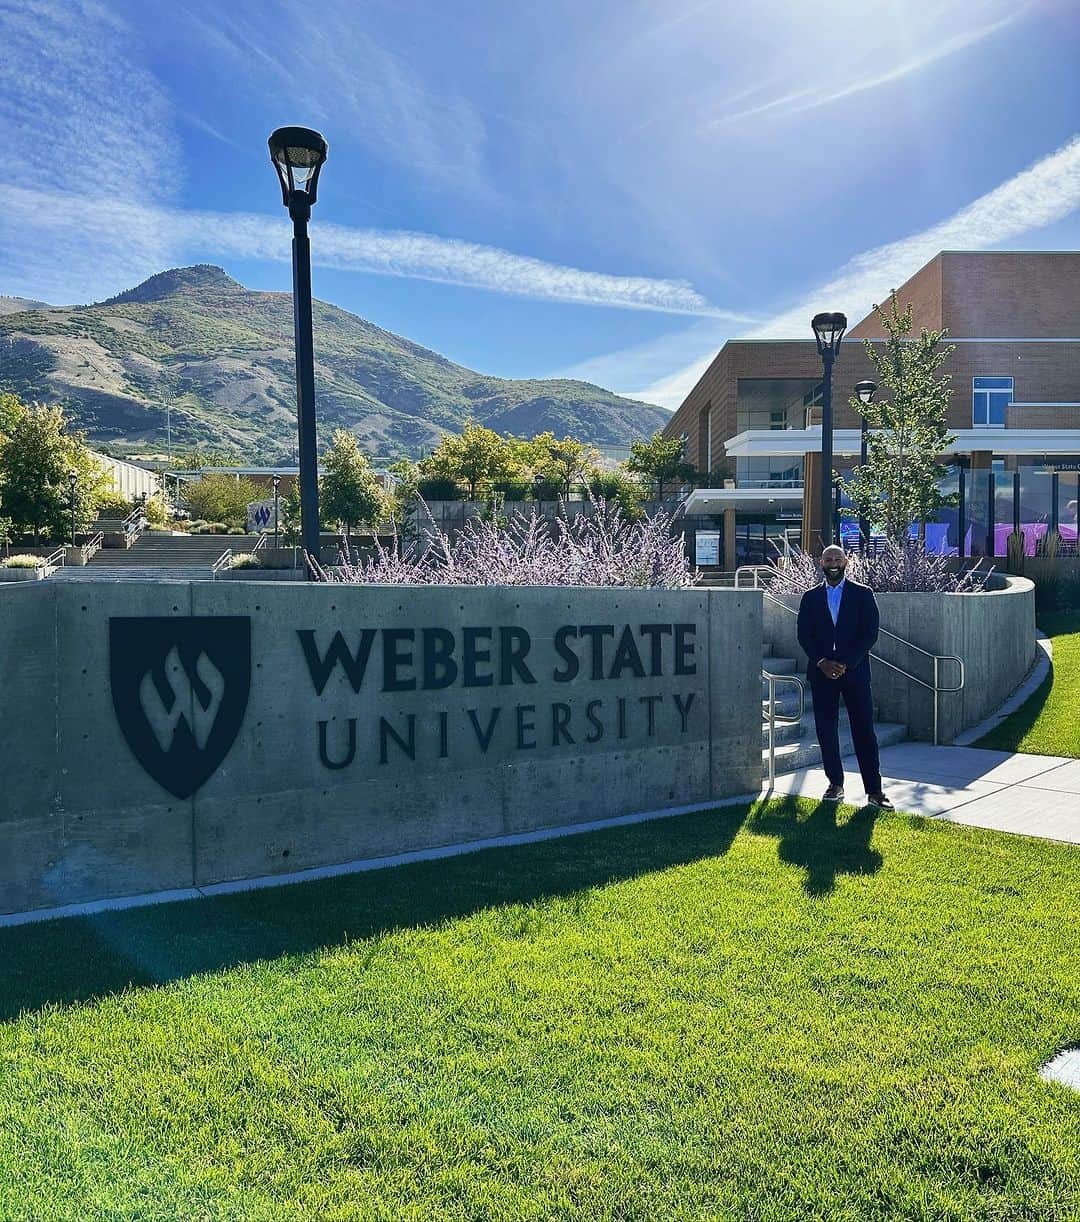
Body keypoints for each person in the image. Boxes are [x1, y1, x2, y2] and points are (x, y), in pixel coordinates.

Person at [796, 545, 893, 808]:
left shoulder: (863, 594)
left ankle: (874, 791)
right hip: (822, 673)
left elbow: (869, 632)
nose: (833, 563)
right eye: (828, 559)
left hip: (856, 673)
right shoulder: (810, 598)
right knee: (826, 731)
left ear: (846, 561)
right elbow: (804, 634)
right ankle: (835, 784)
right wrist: (822, 662)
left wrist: (846, 664)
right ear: (821, 563)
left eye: (837, 558)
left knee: (864, 731)